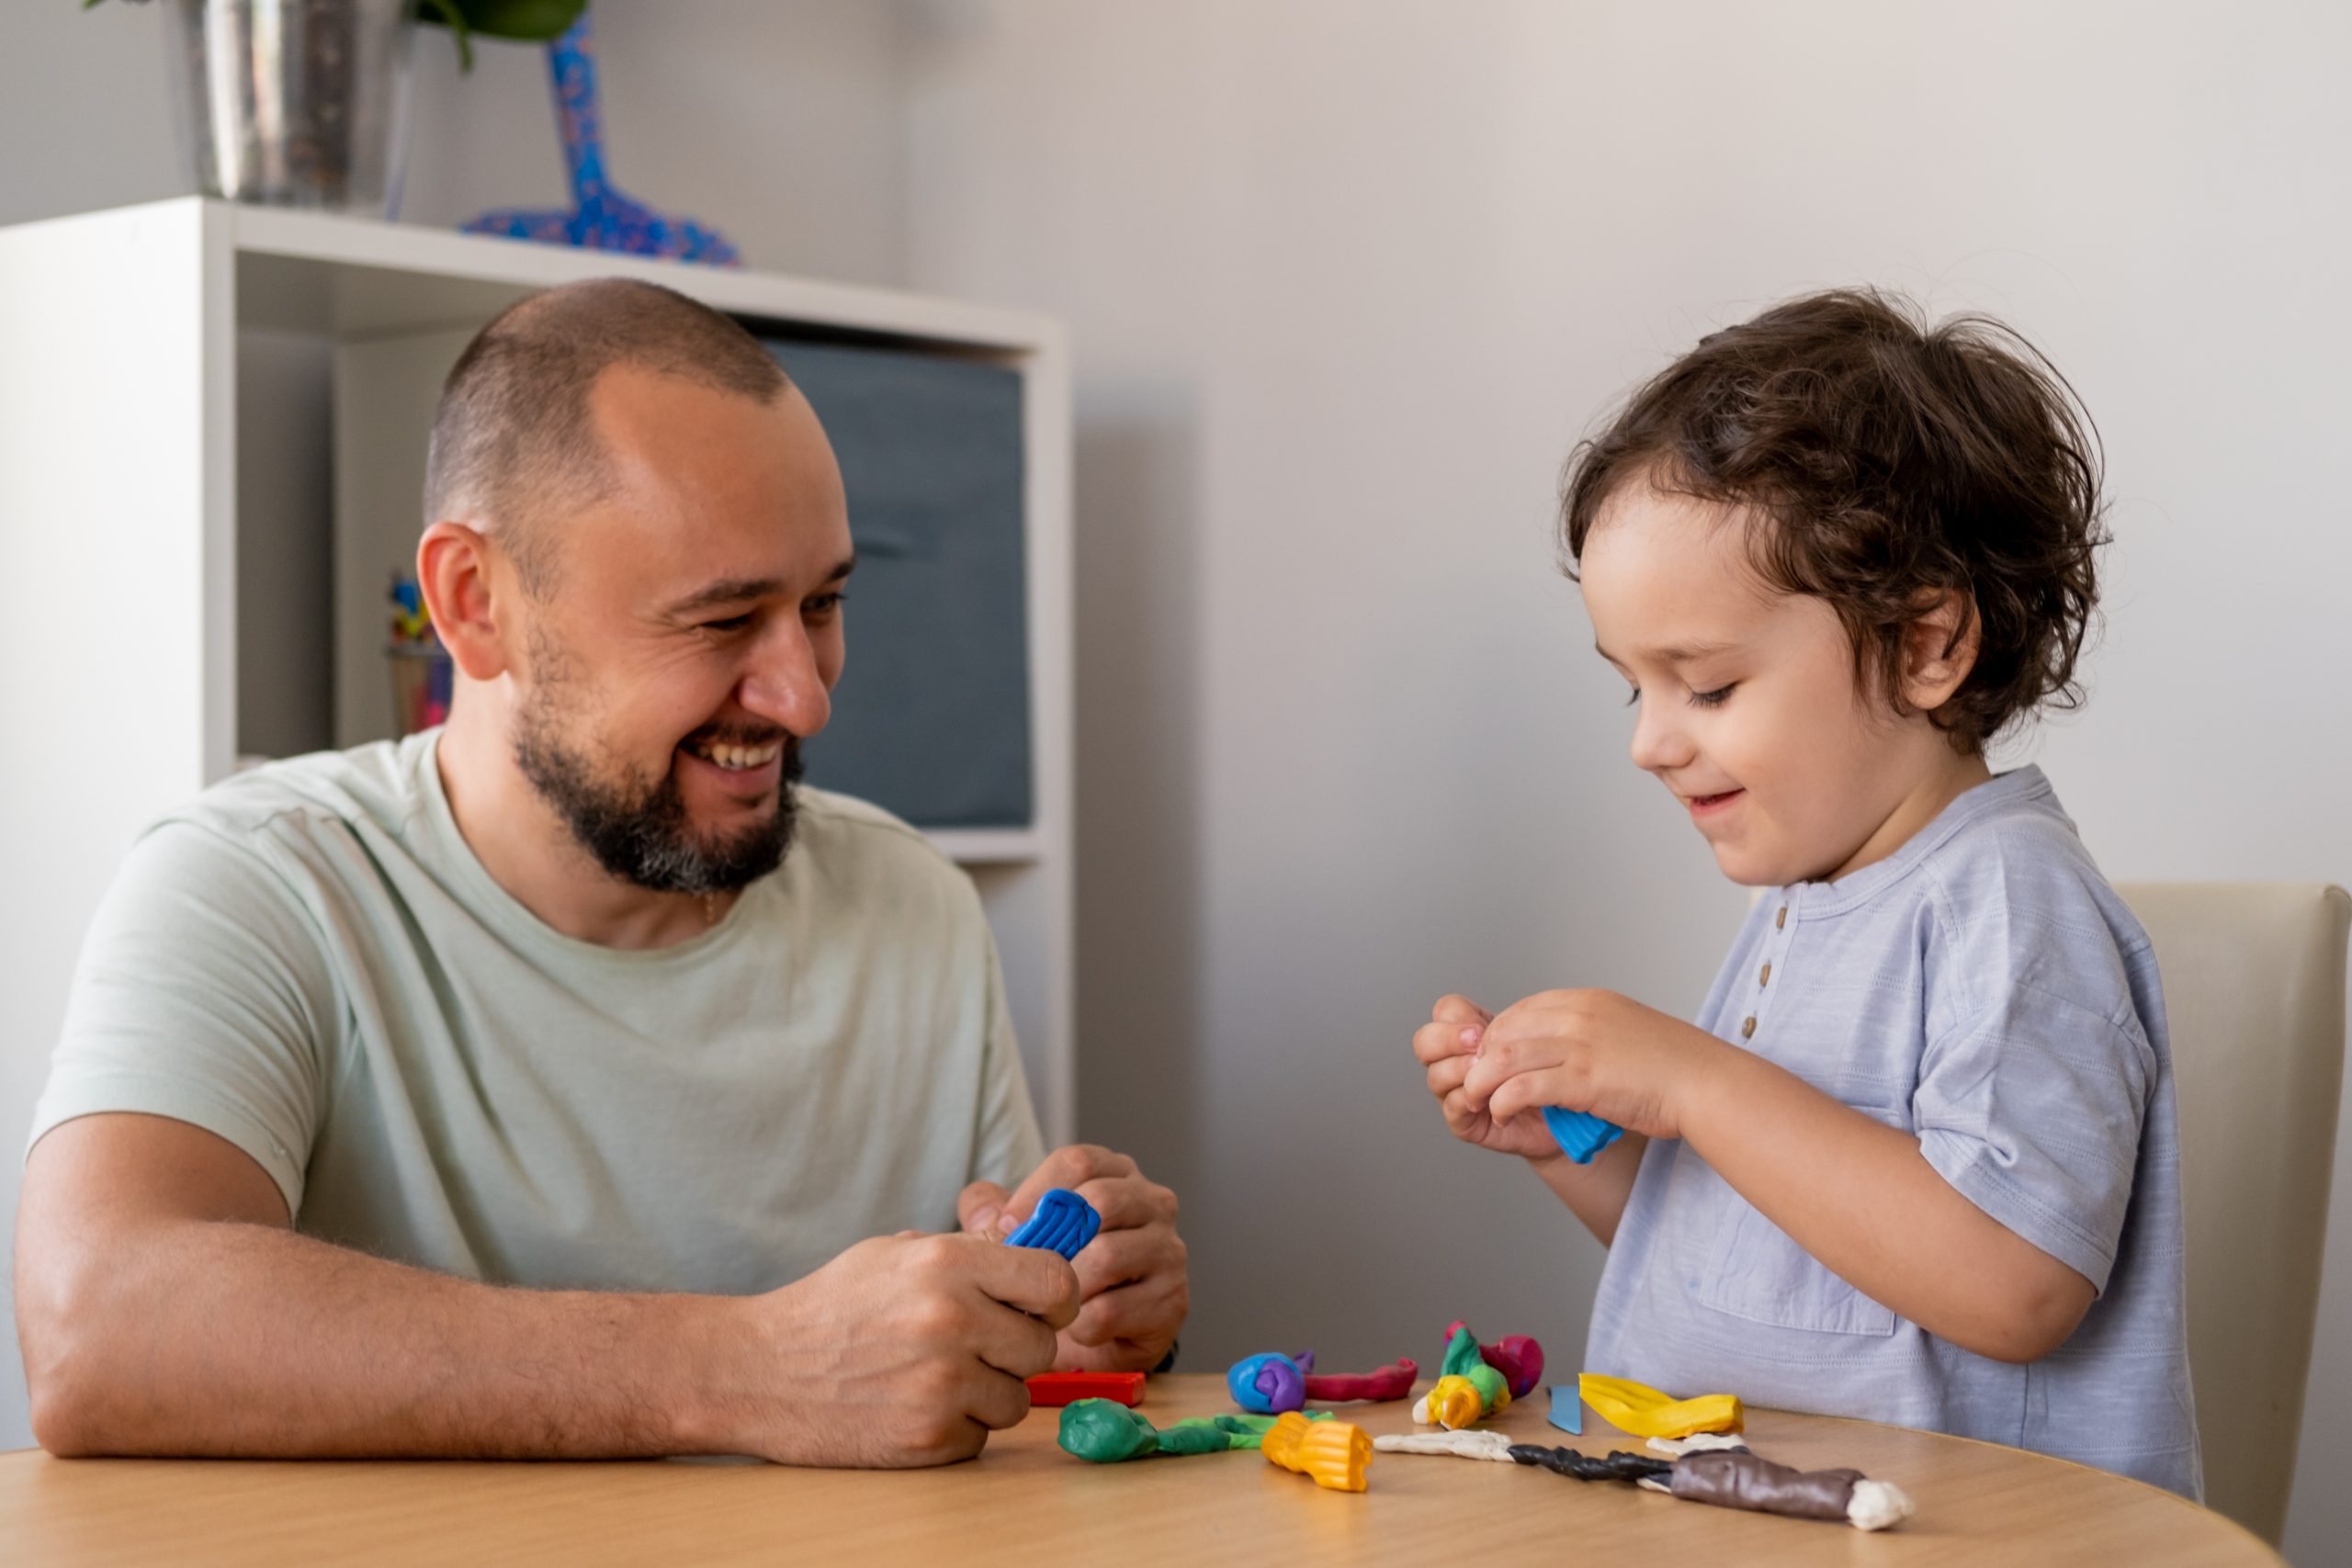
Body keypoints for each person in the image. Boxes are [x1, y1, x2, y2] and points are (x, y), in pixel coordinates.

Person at [16, 278, 1186, 1468]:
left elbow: (987, 1377)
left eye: (822, 603)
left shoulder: (910, 903)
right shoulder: (258, 884)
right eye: (722, 621)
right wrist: (750, 1370)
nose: (806, 695)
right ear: (477, 606)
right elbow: (95, 1324)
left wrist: (1073, 1321)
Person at [1410, 289, 2199, 1495]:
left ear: (1928, 644)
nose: (1651, 743)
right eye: (1637, 690)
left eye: (1709, 687)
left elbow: (2012, 1282)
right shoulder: (1808, 897)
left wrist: (1693, 1079)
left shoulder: (2006, 903)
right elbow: (1786, 1257)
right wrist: (1573, 1143)